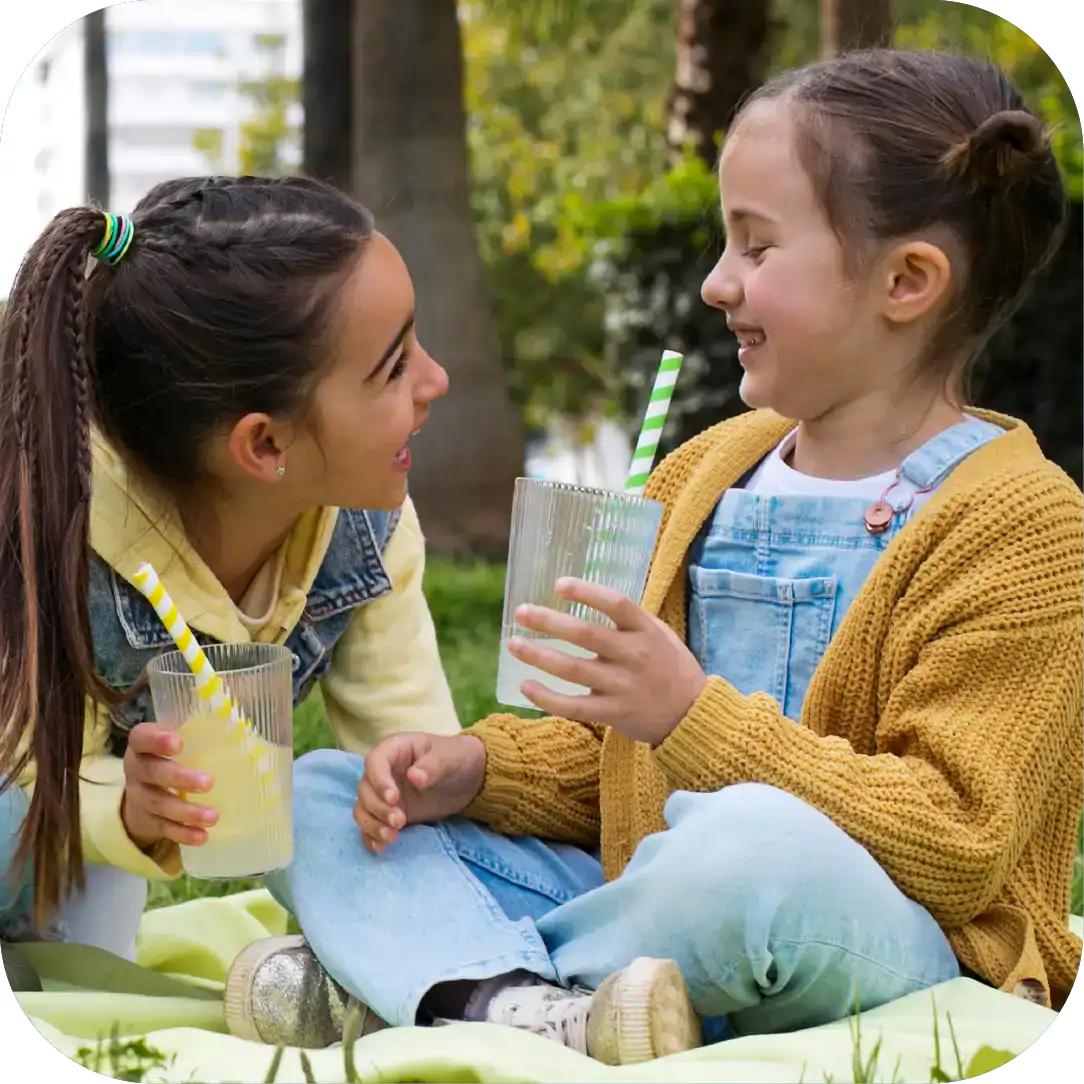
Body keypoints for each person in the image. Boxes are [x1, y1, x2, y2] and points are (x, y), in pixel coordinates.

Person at [224, 48, 1083, 1062]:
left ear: (907, 280)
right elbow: (611, 766)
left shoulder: (1025, 525)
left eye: (756, 248)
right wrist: (475, 769)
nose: (718, 281)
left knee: (747, 850)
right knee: (317, 794)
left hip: (876, 934)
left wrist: (689, 713)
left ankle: (427, 974)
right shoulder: (701, 472)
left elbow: (955, 842)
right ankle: (533, 1002)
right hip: (639, 899)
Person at [0, 176, 459, 971]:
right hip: (25, 817)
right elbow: (23, 781)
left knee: (85, 930)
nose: (435, 380)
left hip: (70, 874)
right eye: (393, 369)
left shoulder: (366, 528)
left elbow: (414, 747)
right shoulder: (53, 531)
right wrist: (124, 811)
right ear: (266, 446)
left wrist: (429, 784)